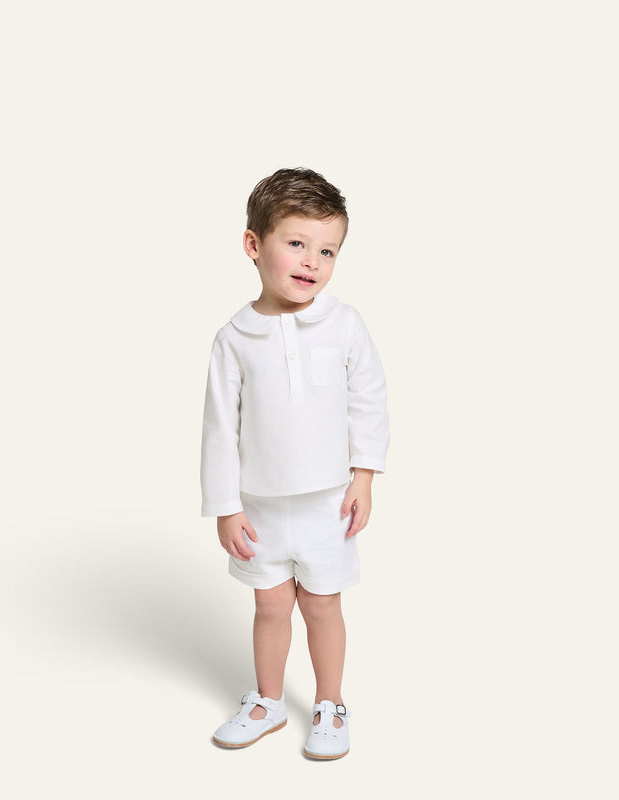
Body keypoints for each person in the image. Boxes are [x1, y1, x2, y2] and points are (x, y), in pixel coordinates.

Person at [200, 167, 389, 760]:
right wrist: (225, 507)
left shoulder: (344, 324)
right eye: (297, 243)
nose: (312, 261)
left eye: (327, 250)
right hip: (259, 508)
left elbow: (368, 400)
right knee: (270, 605)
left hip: (328, 504)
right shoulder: (234, 339)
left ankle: (330, 703)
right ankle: (268, 701)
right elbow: (219, 430)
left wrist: (364, 477)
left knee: (323, 604)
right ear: (254, 244)